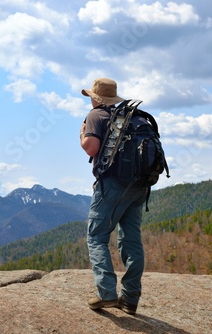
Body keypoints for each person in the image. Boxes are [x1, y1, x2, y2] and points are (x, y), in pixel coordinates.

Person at [80, 77, 147, 315]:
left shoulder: (97, 115)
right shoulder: (132, 117)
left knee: (96, 236)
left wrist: (82, 134)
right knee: (131, 239)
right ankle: (130, 298)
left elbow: (91, 148)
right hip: (140, 185)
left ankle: (106, 294)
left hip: (112, 184)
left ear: (95, 97)